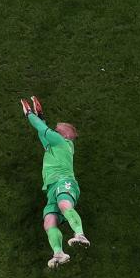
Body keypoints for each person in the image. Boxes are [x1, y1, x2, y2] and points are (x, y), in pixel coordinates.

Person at [20, 96, 90, 268]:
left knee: (65, 205)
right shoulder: (55, 145)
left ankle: (80, 234)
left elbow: (41, 128)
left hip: (64, 182)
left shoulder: (62, 141)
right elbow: (43, 133)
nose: (54, 131)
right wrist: (41, 115)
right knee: (49, 221)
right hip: (52, 188)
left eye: (56, 130)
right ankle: (59, 254)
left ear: (66, 135)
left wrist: (29, 114)